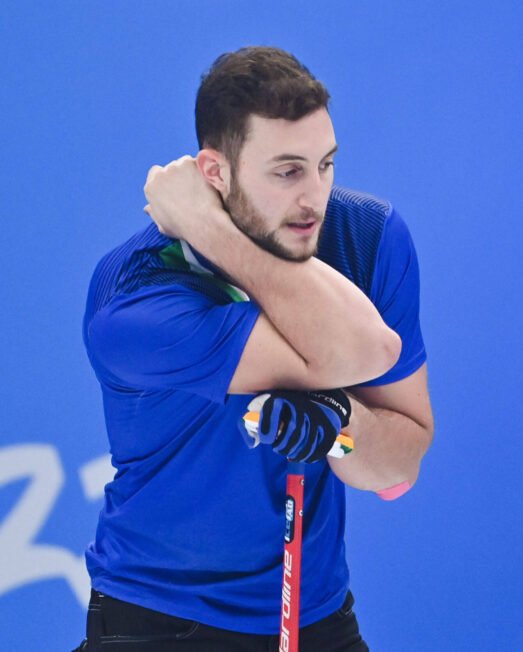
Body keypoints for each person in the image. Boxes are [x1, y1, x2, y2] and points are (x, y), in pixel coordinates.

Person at [77, 46, 433, 650]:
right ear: (215, 173)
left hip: (316, 615)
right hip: (161, 618)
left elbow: (399, 465)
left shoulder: (368, 235)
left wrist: (340, 424)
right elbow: (366, 351)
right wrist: (212, 232)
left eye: (325, 165)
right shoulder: (135, 296)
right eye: (287, 172)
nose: (315, 198)